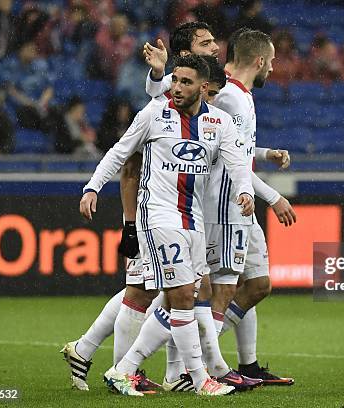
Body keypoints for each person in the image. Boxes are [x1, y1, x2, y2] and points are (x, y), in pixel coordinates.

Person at [59, 24, 232, 393]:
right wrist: (129, 223)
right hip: (153, 215)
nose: (215, 48)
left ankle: (106, 355)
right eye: (205, 44)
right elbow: (129, 166)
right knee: (146, 291)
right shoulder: (161, 106)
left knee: (170, 292)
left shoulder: (207, 106)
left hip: (188, 215)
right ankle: (132, 371)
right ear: (185, 54)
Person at [145, 25, 297, 386]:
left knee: (256, 284)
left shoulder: (237, 95)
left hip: (240, 201)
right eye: (271, 62)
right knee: (203, 289)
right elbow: (224, 153)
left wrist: (264, 153)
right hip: (222, 203)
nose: (273, 69)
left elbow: (235, 147)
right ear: (260, 60)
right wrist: (273, 196)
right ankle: (189, 367)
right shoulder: (223, 92)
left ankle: (240, 364)